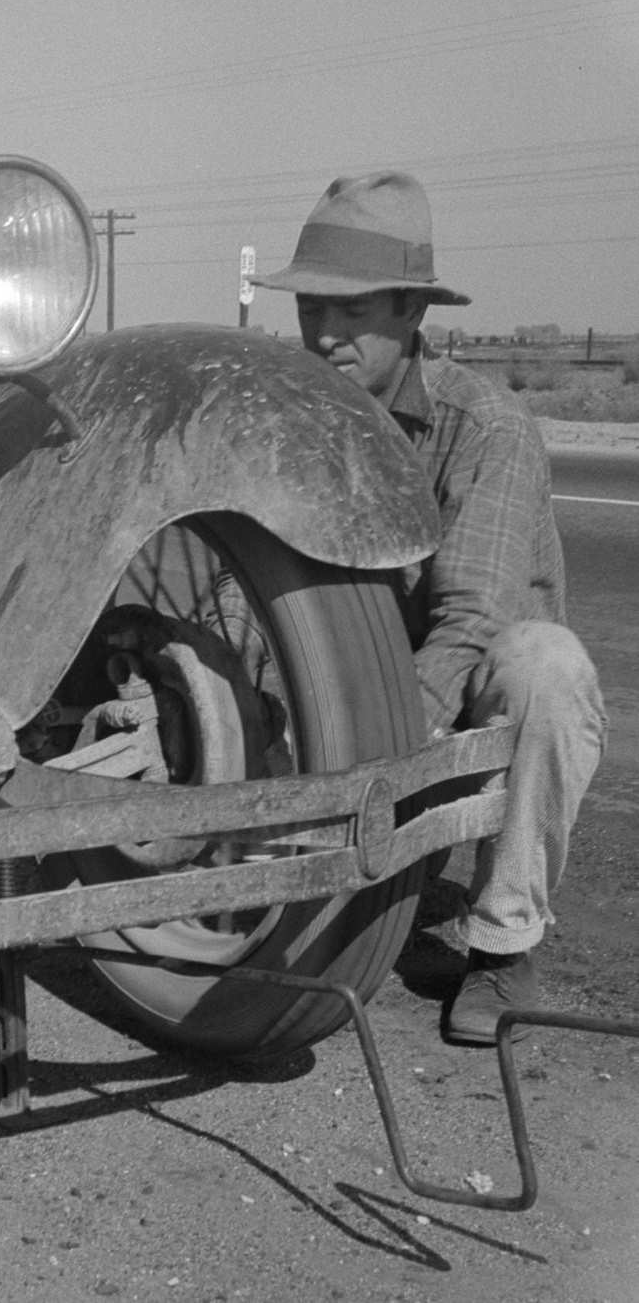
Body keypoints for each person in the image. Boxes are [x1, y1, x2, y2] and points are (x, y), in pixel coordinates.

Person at [255, 170, 605, 1044]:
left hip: (459, 709)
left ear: (411, 311)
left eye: (353, 311)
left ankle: (503, 939)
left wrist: (370, 759)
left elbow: (470, 624)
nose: (326, 335)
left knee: (543, 664)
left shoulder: (486, 427)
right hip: (355, 696)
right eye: (310, 313)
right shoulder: (300, 424)